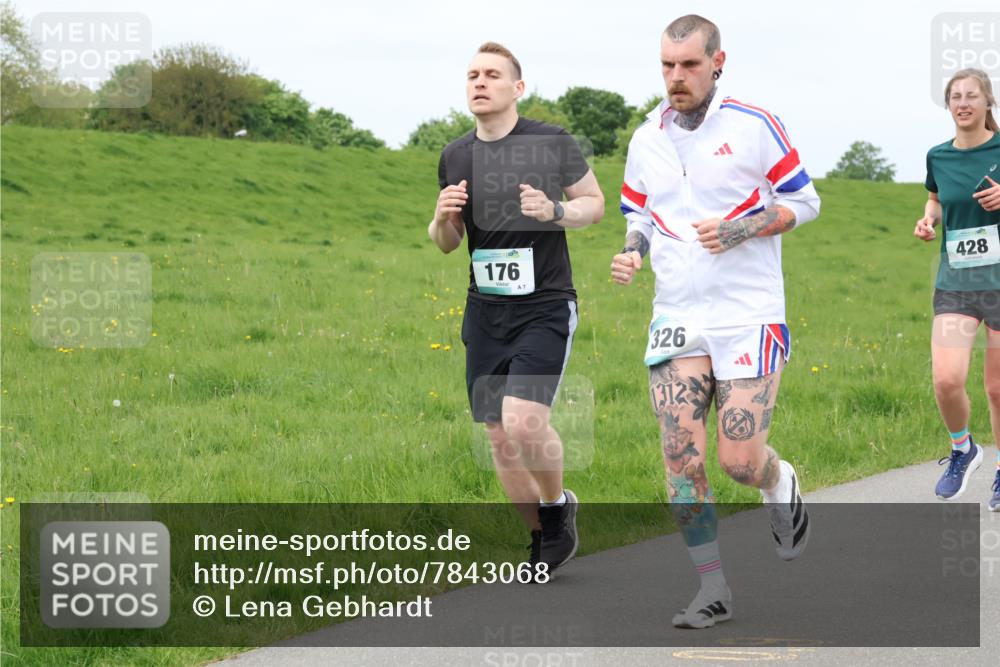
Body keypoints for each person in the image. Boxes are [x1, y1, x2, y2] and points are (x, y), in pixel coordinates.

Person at [610, 15, 821, 628]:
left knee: (738, 460)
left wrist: (739, 229)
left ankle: (779, 486)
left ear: (717, 62)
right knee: (680, 452)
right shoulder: (646, 134)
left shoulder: (755, 124)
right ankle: (712, 588)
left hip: (748, 312)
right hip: (676, 312)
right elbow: (640, 212)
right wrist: (632, 250)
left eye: (689, 65)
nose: (676, 77)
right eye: (667, 66)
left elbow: (805, 201)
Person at [429, 42, 605, 576]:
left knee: (524, 424)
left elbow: (593, 204)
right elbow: (446, 242)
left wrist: (554, 210)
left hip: (544, 305)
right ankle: (543, 540)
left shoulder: (550, 142)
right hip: (485, 312)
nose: (479, 83)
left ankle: (557, 508)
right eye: (472, 75)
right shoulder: (455, 155)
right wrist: (441, 217)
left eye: (491, 75)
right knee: (499, 437)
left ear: (517, 87)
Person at [914, 68, 1000, 510]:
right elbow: (935, 196)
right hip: (958, 280)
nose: (963, 103)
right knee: (947, 379)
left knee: (997, 388)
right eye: (955, 97)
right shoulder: (938, 155)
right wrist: (928, 218)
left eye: (972, 96)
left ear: (989, 102)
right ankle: (963, 448)